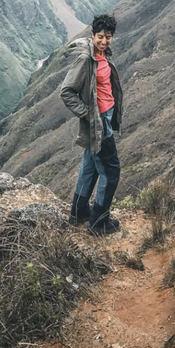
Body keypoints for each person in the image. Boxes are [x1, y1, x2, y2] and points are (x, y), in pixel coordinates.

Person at [60, 14, 123, 235]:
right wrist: (87, 114)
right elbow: (67, 92)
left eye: (108, 37)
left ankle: (78, 212)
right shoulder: (86, 59)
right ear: (92, 35)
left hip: (104, 117)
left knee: (89, 168)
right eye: (100, 37)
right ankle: (99, 223)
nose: (104, 41)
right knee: (111, 171)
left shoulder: (103, 55)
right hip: (98, 122)